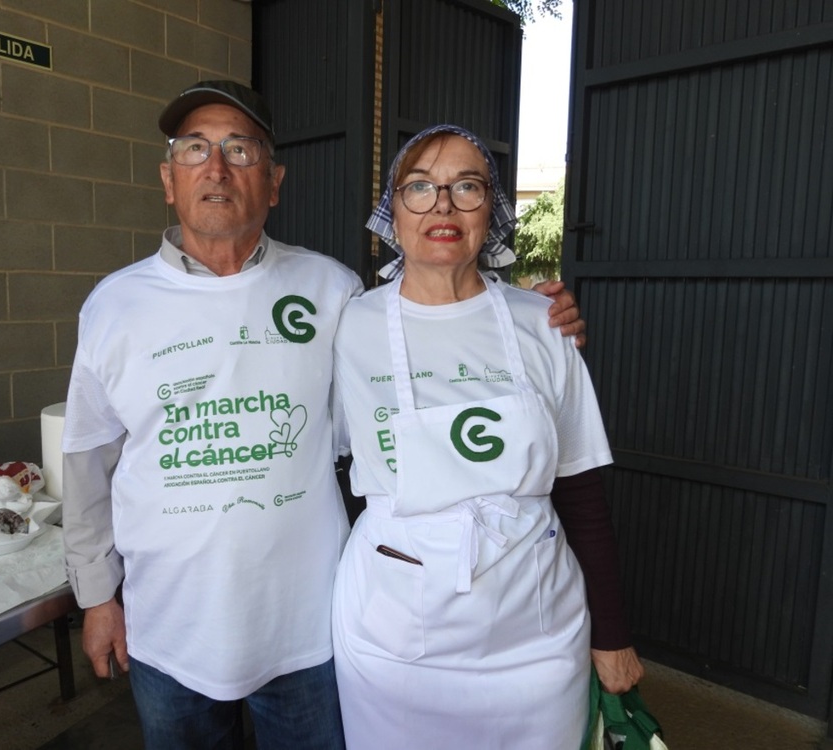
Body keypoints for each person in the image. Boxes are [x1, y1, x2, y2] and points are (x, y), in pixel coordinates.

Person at [59, 81, 585, 749]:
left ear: (273, 182)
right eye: (195, 149)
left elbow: (431, 333)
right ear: (169, 179)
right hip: (170, 629)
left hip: (307, 630)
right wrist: (98, 597)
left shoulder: (332, 291)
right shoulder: (114, 306)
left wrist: (532, 321)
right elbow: (86, 459)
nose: (217, 168)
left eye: (240, 150)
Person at [330, 124, 643, 749]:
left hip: (536, 635)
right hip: (395, 636)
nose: (443, 205)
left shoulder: (543, 323)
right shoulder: (346, 325)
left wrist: (612, 635)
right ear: (392, 212)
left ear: (491, 212)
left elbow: (581, 493)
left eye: (466, 186)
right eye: (420, 187)